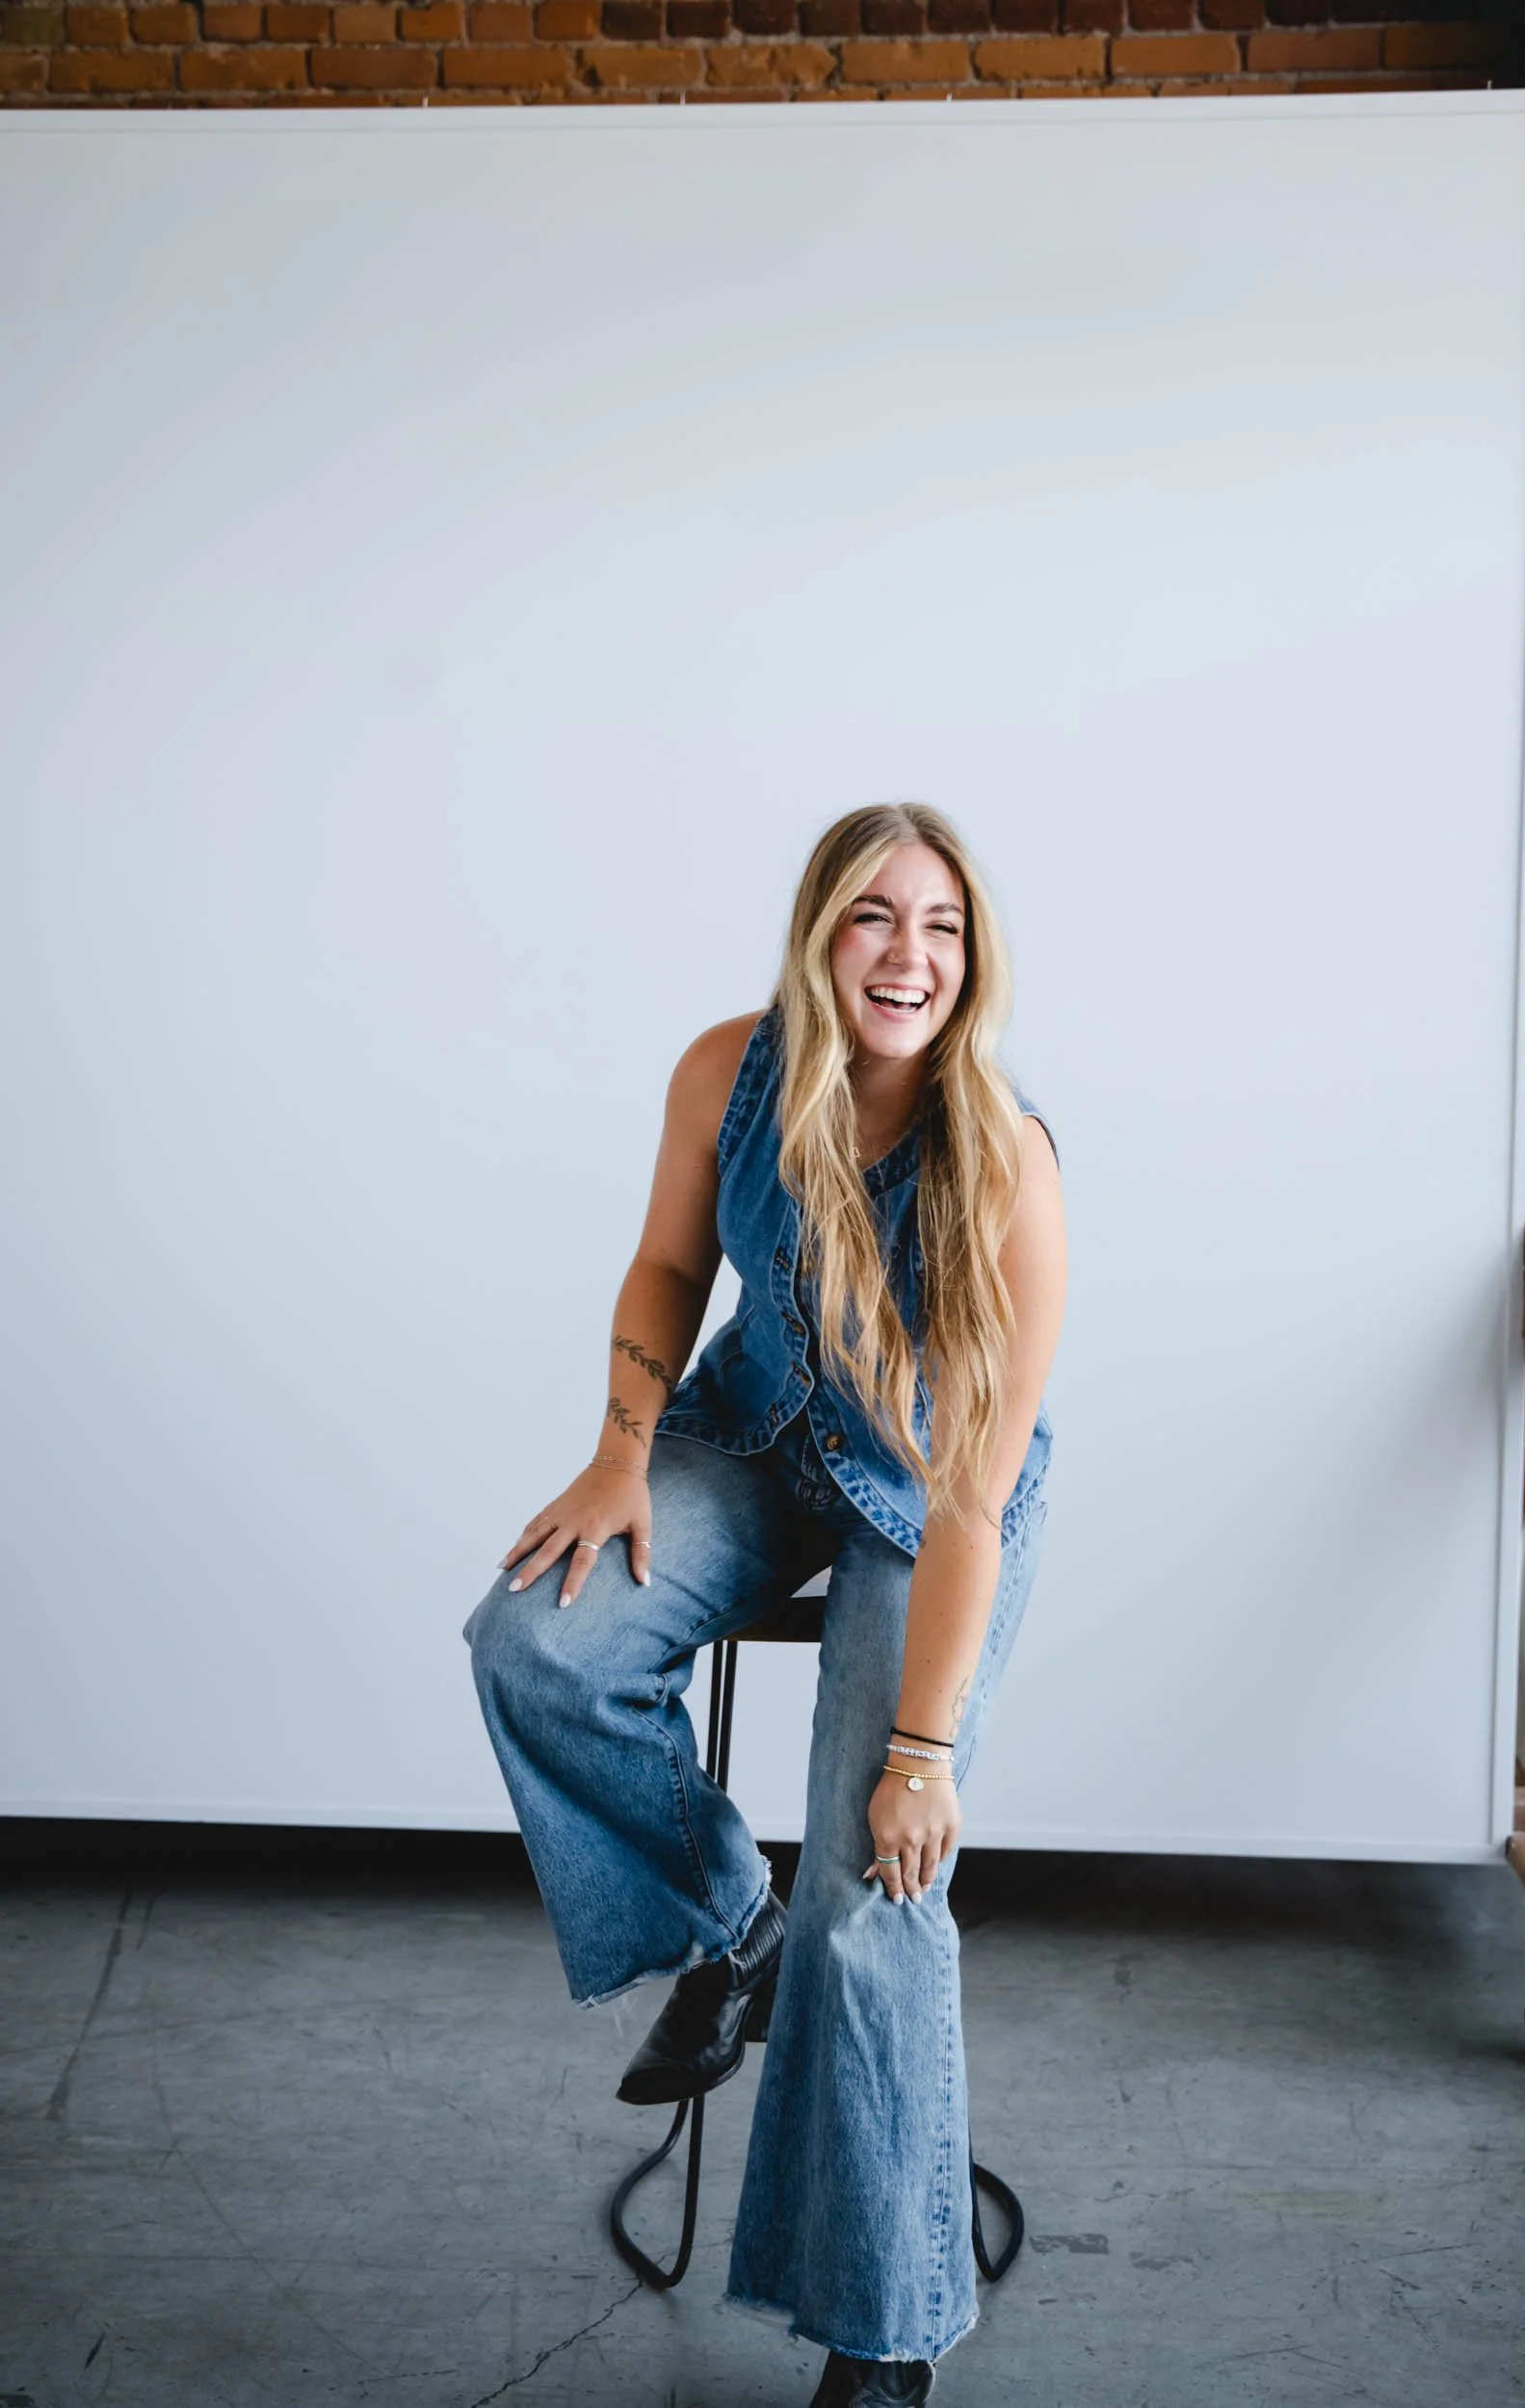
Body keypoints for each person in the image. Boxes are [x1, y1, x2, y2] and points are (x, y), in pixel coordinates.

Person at [463, 800, 1065, 2407]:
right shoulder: (726, 1071)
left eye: (939, 928)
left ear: (972, 961)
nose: (907, 956)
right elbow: (667, 1271)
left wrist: (919, 1754)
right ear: (818, 934)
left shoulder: (1002, 1164)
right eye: (875, 919)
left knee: (879, 1882)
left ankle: (880, 2332)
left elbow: (965, 1499)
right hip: (753, 1432)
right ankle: (737, 1930)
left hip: (930, 1507)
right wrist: (617, 1455)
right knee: (535, 1637)